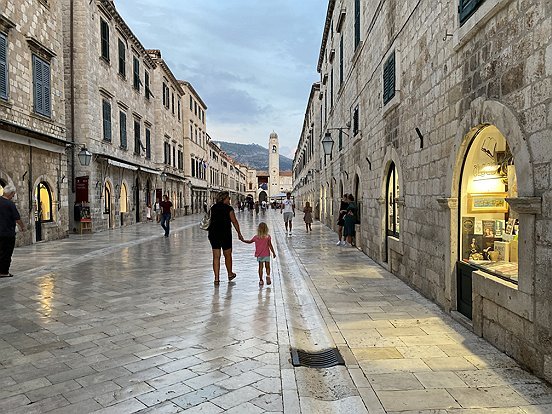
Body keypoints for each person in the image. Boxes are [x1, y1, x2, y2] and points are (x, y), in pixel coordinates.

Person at [208, 191, 244, 285]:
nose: (229, 200)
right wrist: (239, 233)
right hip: (225, 234)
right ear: (224, 199)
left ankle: (216, 278)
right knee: (227, 255)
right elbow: (234, 221)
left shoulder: (213, 207)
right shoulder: (229, 208)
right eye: (228, 198)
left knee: (216, 256)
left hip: (213, 234)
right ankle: (230, 274)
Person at [0, 185, 26, 277]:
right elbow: (17, 218)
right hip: (7, 233)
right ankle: (3, 272)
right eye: (13, 194)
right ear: (10, 194)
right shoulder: (10, 204)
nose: (13, 196)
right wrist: (23, 227)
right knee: (7, 253)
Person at [242, 222, 276, 286]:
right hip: (266, 254)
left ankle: (261, 280)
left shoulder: (256, 237)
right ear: (266, 229)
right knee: (267, 266)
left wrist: (243, 240)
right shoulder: (268, 237)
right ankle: (268, 276)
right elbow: (270, 245)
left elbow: (249, 241)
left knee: (260, 267)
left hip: (260, 255)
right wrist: (273, 253)